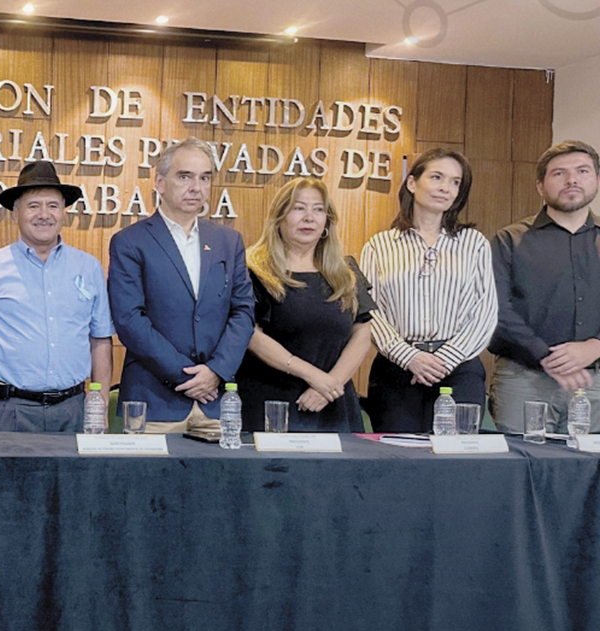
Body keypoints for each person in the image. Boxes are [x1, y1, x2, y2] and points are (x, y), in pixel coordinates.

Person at [108, 138, 254, 432]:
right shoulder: (129, 242)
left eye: (205, 178)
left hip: (217, 402)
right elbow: (129, 320)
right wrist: (189, 377)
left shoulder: (229, 241)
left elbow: (243, 312)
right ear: (159, 182)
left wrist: (216, 371)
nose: (196, 187)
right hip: (153, 402)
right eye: (184, 176)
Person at [0, 161, 113, 432]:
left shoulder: (89, 268)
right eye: (33, 206)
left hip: (73, 409)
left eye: (53, 205)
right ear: (15, 213)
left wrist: (98, 405)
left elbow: (100, 342)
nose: (44, 214)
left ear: (64, 213)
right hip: (7, 411)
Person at [359, 148, 496, 432]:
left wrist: (444, 359)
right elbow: (369, 312)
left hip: (459, 368)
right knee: (399, 460)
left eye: (455, 182)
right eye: (437, 177)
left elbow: (485, 312)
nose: (446, 188)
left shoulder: (474, 243)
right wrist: (409, 357)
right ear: (412, 183)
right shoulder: (379, 245)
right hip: (396, 370)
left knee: (456, 464)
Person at [236, 178, 375, 432]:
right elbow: (250, 334)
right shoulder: (252, 268)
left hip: (333, 403)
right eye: (299, 208)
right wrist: (315, 377)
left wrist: (330, 384)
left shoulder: (346, 272)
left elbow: (362, 332)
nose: (309, 217)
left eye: (318, 209)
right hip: (271, 404)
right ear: (279, 218)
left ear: (326, 222)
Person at [488, 140, 600, 433]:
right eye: (559, 173)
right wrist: (543, 354)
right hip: (522, 380)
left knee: (588, 475)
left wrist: (595, 346)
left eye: (582, 171)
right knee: (523, 471)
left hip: (594, 382)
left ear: (596, 180)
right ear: (540, 186)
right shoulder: (508, 240)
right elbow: (496, 310)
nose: (572, 179)